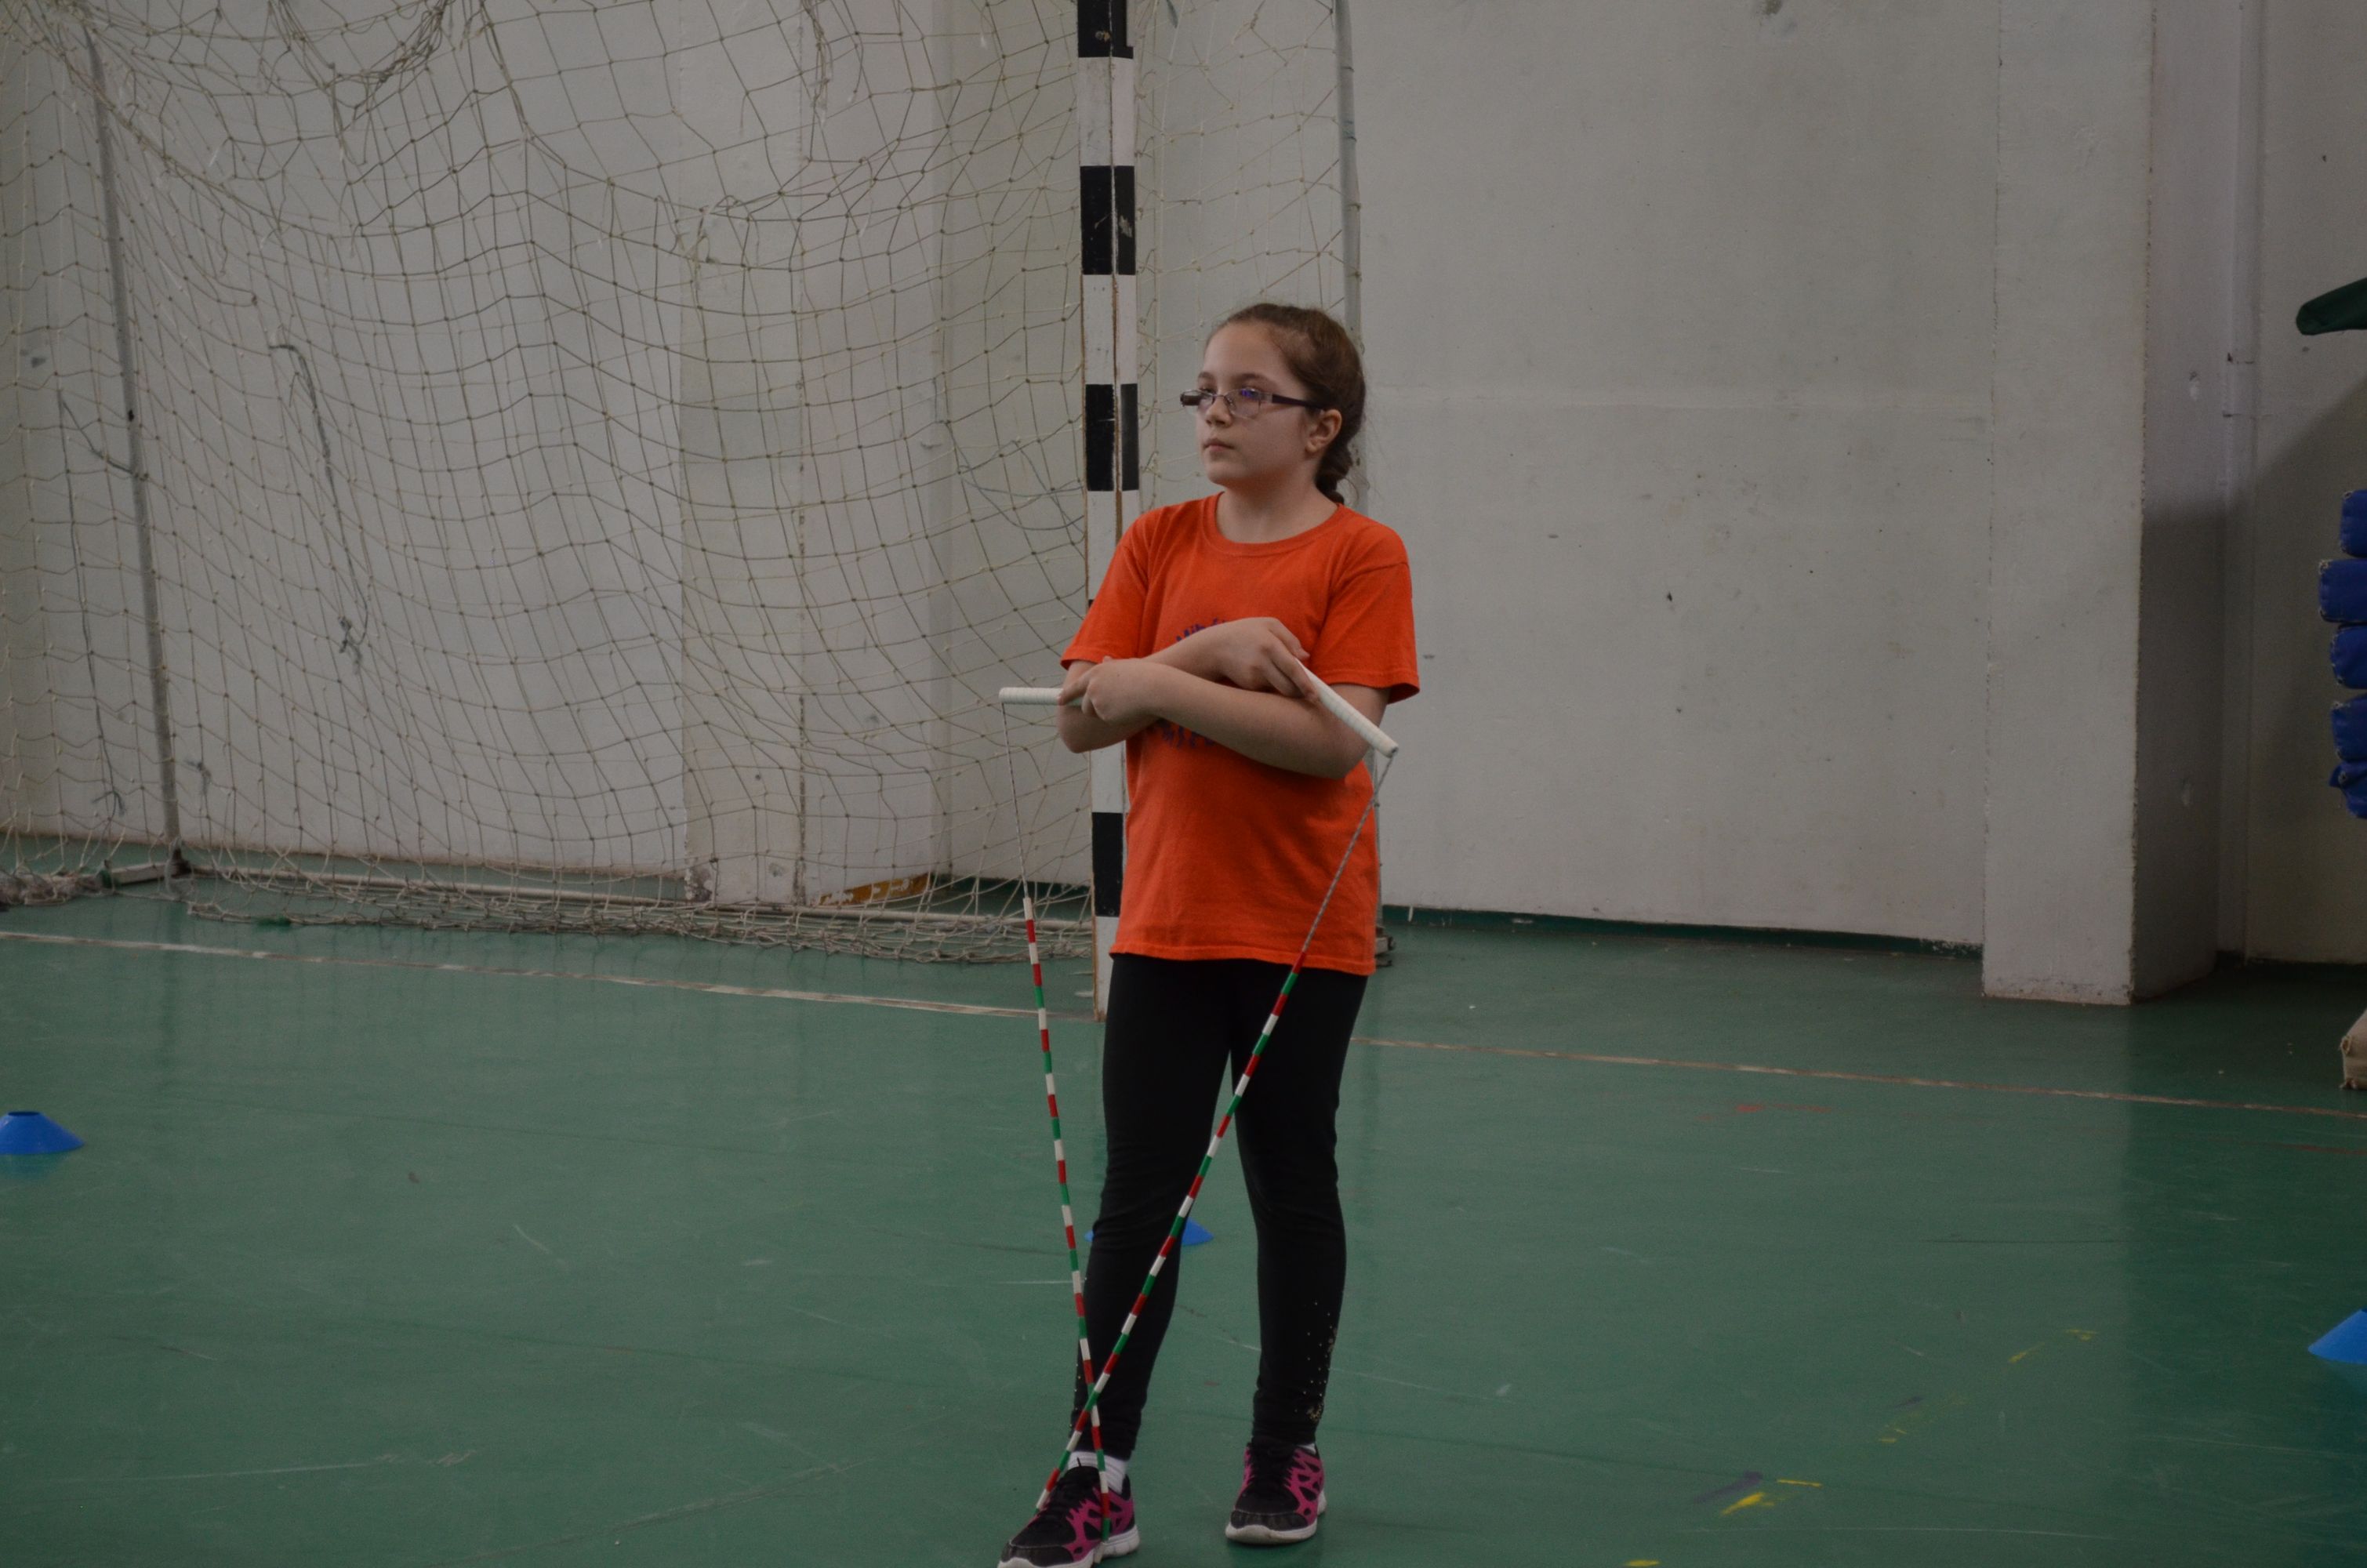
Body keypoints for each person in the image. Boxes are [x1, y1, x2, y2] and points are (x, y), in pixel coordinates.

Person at [997, 303, 1419, 1566]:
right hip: (1167, 925)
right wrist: (1210, 650)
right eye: (1204, 393)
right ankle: (1096, 1473)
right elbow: (1080, 716)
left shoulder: (1363, 555)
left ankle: (1284, 1450)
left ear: (1321, 426)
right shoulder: (1160, 542)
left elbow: (1330, 743)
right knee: (1139, 1203)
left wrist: (1156, 680)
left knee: (1293, 1187)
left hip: (1300, 931)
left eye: (1249, 393)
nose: (1216, 415)